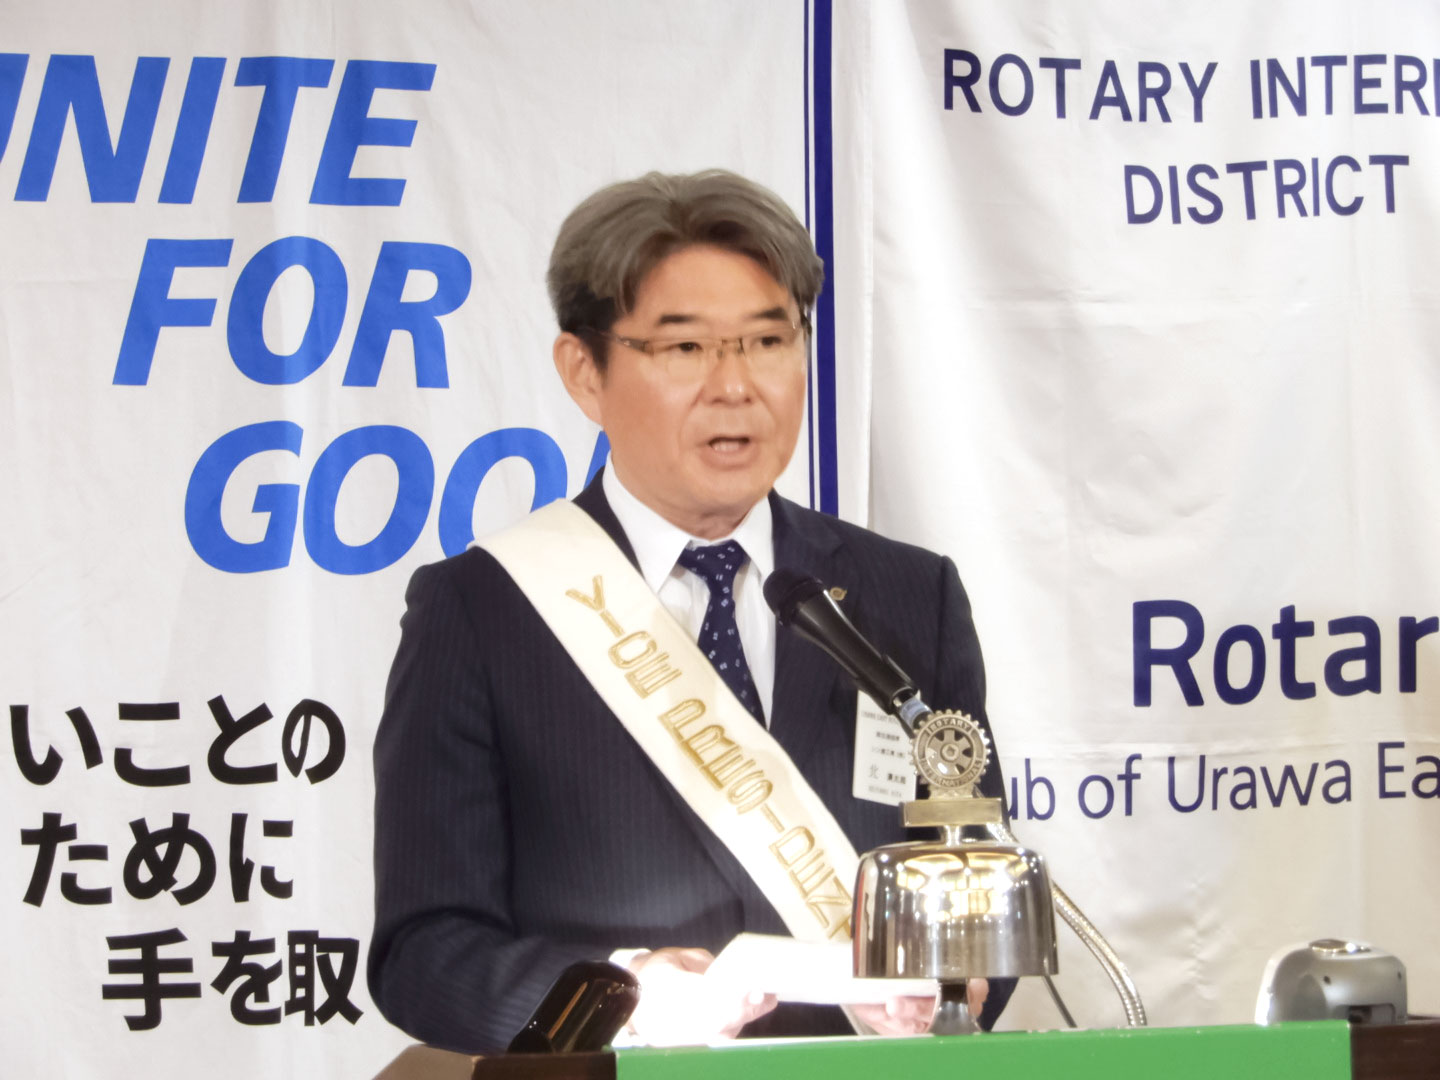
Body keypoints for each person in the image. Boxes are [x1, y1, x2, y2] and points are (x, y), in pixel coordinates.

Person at [367, 169, 1011, 1053]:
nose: (735, 386)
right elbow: (425, 952)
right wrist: (623, 997)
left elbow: (979, 892)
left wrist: (946, 986)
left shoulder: (907, 595)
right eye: (684, 349)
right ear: (584, 373)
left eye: (768, 340)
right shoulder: (481, 611)